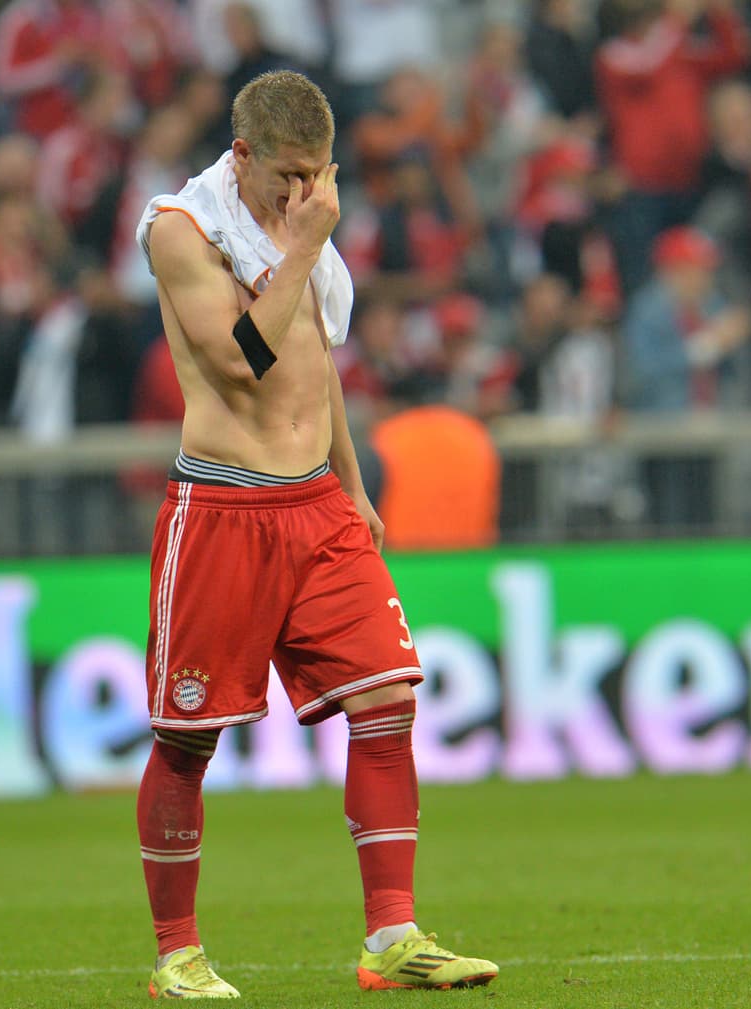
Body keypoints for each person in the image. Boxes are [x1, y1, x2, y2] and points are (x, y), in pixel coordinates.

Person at [132, 69, 498, 998]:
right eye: (288, 174)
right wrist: (302, 245)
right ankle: (177, 953)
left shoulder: (303, 223)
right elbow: (243, 362)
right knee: (188, 740)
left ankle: (392, 936)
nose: (305, 192)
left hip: (318, 507)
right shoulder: (181, 228)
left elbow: (315, 360)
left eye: (319, 173)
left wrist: (353, 484)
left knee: (389, 700)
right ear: (242, 155)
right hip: (223, 509)